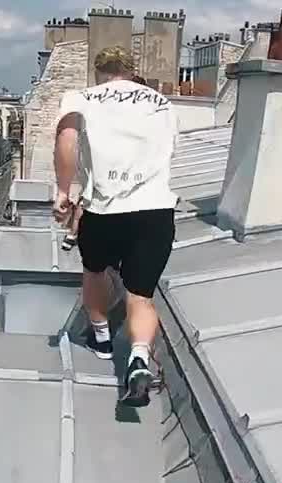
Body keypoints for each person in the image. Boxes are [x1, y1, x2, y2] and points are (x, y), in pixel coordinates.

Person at [53, 46, 179, 408]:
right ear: (131, 69)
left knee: (94, 272)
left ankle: (102, 339)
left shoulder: (82, 98)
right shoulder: (162, 103)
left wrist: (63, 191)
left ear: (99, 72)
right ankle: (139, 357)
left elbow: (67, 139)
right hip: (154, 211)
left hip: (103, 212)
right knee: (140, 296)